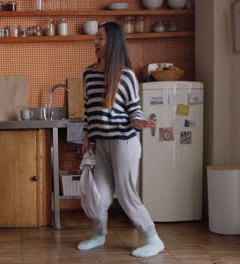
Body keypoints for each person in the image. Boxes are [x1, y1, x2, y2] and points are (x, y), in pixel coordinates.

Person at [77, 22, 164, 258]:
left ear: (112, 42)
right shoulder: (89, 73)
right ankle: (98, 235)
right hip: (102, 143)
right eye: (96, 38)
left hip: (124, 142)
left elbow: (134, 109)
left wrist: (139, 122)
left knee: (126, 195)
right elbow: (89, 109)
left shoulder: (125, 76)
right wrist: (87, 138)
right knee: (100, 197)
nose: (95, 42)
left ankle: (153, 239)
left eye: (101, 38)